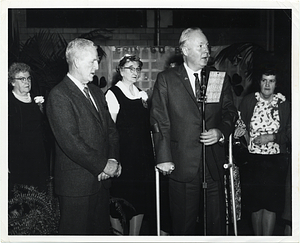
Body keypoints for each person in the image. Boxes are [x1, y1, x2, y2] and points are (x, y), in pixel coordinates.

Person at [150, 27, 237, 235]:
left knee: (215, 225)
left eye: (207, 45)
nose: (206, 50)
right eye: (200, 46)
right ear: (185, 50)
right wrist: (163, 157)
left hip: (213, 163)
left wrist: (221, 132)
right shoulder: (167, 79)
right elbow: (159, 119)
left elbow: (229, 112)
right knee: (183, 226)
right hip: (181, 163)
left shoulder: (218, 78)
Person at [46, 38, 120, 235]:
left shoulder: (96, 92)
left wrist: (111, 159)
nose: (97, 66)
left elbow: (110, 131)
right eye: (92, 61)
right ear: (77, 61)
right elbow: (71, 141)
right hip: (76, 187)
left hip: (101, 183)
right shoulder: (59, 95)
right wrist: (103, 165)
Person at [234, 66, 291, 236]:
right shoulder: (249, 100)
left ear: (276, 84)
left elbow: (289, 133)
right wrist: (240, 132)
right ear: (259, 82)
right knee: (255, 206)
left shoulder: (283, 104)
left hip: (275, 160)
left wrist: (271, 138)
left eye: (271, 81)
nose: (267, 84)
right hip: (252, 160)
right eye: (264, 80)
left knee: (271, 205)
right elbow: (241, 125)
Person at [105, 54, 155, 235]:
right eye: (130, 68)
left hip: (142, 156)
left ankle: (134, 237)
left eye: (137, 68)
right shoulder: (113, 94)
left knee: (141, 198)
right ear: (120, 71)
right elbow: (110, 130)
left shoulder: (142, 94)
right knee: (120, 198)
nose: (135, 72)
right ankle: (119, 237)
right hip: (124, 155)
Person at [8, 62, 49, 196]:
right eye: (22, 79)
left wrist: (42, 109)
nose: (27, 82)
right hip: (18, 159)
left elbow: (45, 128)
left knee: (39, 196)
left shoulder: (37, 99)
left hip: (38, 157)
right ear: (12, 82)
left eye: (28, 78)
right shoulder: (8, 102)